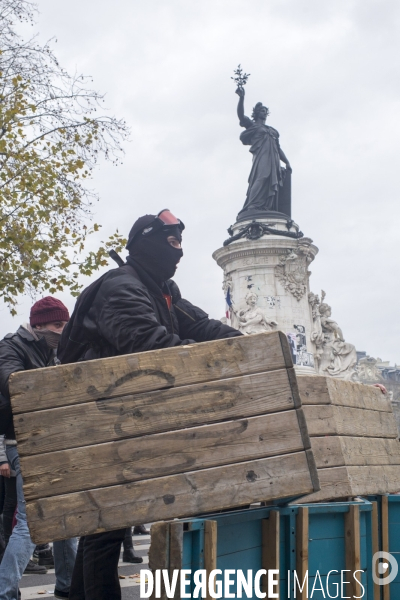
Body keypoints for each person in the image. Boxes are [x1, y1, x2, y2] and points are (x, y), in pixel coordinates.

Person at [59, 209, 243, 600]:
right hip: (100, 419)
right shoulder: (121, 287)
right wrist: (208, 359)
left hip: (128, 418)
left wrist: (249, 344)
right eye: (172, 242)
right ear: (148, 244)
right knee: (106, 526)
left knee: (109, 524)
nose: (179, 251)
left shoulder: (159, 288)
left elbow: (200, 324)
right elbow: (149, 345)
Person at [0, 297, 77, 600]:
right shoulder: (10, 347)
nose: (62, 332)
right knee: (31, 523)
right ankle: (5, 591)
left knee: (66, 519)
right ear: (37, 326)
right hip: (24, 443)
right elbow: (12, 382)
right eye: (58, 326)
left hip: (49, 443)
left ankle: (68, 584)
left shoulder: (50, 349)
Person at [235, 86, 292, 216]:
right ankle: (252, 205)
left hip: (274, 158)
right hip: (261, 156)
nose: (264, 112)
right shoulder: (253, 125)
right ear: (256, 113)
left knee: (272, 180)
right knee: (261, 177)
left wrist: (287, 162)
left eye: (266, 111)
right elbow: (240, 116)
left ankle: (266, 206)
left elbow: (278, 148)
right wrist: (241, 98)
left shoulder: (272, 131)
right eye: (261, 110)